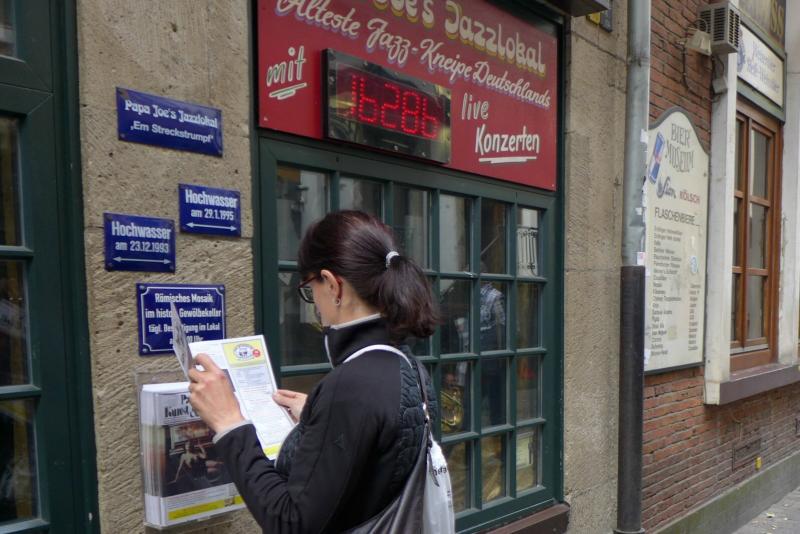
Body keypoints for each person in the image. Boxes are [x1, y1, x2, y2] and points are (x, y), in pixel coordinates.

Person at [187, 210, 439, 533]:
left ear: (333, 285)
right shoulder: (408, 365)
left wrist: (229, 423)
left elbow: (291, 523)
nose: (314, 304)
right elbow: (378, 460)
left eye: (310, 289)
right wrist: (318, 416)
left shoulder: (353, 385)